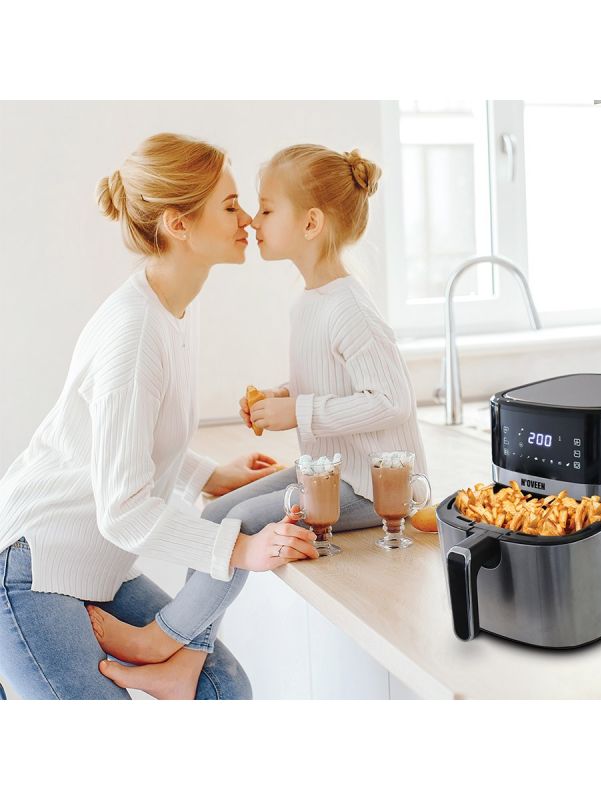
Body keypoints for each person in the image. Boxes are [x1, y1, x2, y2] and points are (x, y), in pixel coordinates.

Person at [86, 144, 429, 697]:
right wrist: (282, 396)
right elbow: (333, 382)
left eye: (267, 209)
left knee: (242, 522)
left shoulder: (349, 308)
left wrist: (299, 411)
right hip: (331, 474)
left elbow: (392, 401)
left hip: (374, 487)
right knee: (216, 514)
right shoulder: (312, 302)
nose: (253, 220)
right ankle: (188, 661)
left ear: (310, 224)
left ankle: (163, 640)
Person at [0, 133, 318, 700]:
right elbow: (123, 510)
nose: (247, 219)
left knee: (223, 691)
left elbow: (122, 435)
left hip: (97, 566)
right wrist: (239, 550)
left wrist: (207, 475)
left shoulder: (170, 309)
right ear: (178, 224)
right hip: (36, 568)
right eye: (230, 206)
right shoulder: (136, 331)